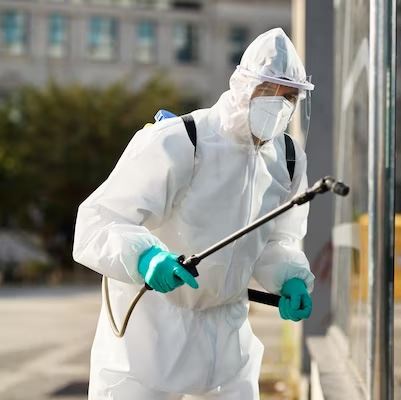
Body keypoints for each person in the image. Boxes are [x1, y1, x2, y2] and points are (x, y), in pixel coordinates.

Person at [73, 28, 315, 400]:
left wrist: (289, 278)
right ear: (243, 87)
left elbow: (276, 240)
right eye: (269, 90)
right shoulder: (182, 139)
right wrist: (145, 258)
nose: (278, 104)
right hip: (148, 335)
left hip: (225, 341)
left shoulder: (287, 159)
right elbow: (99, 219)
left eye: (289, 96)